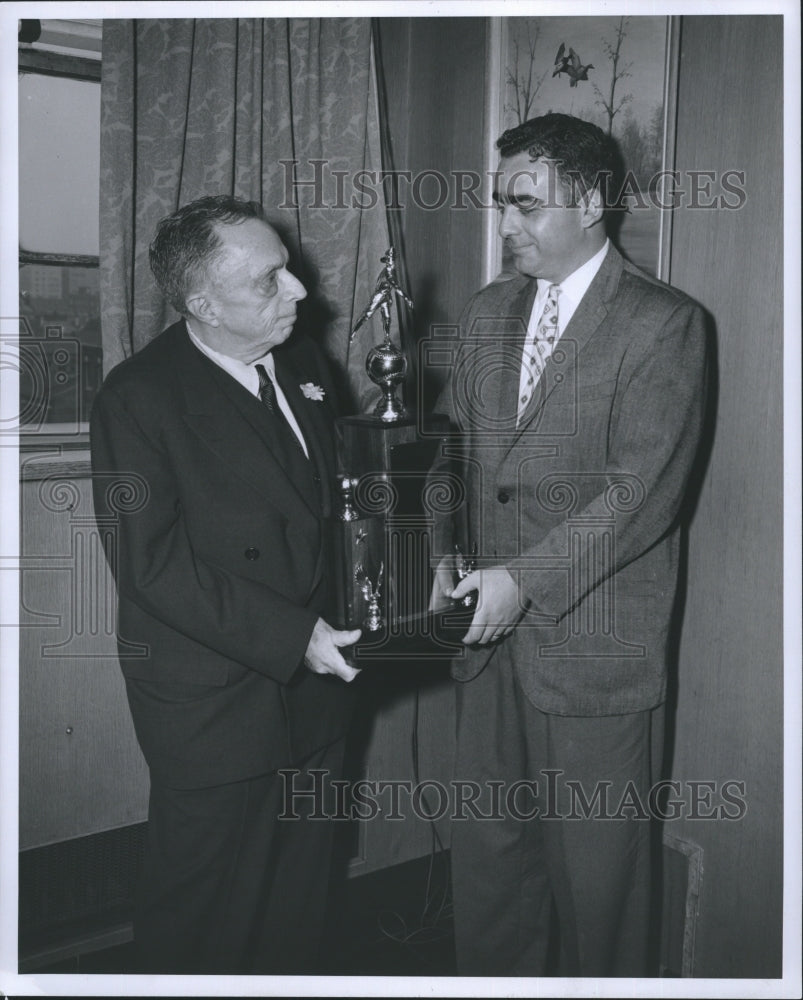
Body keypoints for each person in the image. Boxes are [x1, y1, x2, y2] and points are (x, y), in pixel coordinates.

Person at [429, 114, 708, 976]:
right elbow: (452, 450)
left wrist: (522, 577)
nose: (505, 225)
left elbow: (640, 495)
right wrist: (439, 553)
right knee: (488, 875)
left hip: (595, 652)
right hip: (485, 651)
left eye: (525, 205)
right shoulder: (486, 312)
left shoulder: (662, 324)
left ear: (589, 201)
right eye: (500, 204)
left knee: (599, 891)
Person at [90, 195, 361, 974]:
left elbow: (332, 507)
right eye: (270, 281)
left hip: (318, 690)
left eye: (290, 271)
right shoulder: (138, 398)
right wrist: (292, 637)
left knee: (299, 906)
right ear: (202, 304)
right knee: (202, 918)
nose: (300, 294)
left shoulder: (305, 365)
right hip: (215, 699)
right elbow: (151, 565)